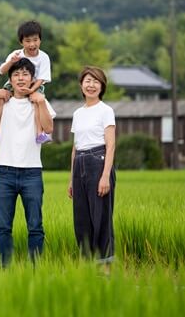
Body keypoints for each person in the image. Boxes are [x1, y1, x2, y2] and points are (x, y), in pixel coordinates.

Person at [0, 58, 56, 267]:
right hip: (4, 172)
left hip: (32, 172)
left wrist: (40, 102)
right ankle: (6, 269)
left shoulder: (40, 100)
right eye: (16, 75)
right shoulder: (2, 101)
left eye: (25, 74)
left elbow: (48, 128)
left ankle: (35, 268)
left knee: (35, 226)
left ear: (32, 78)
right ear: (10, 80)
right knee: (3, 227)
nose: (21, 78)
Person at [67, 66, 116, 275]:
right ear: (81, 85)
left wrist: (105, 175)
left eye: (96, 81)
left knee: (101, 216)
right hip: (80, 164)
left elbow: (111, 144)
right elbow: (75, 147)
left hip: (99, 161)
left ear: (102, 86)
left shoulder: (106, 110)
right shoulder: (78, 113)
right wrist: (71, 179)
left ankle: (105, 266)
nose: (91, 85)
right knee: (82, 218)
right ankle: (87, 264)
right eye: (87, 81)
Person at [0, 20, 53, 144]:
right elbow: (2, 70)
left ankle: (39, 133)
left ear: (40, 40)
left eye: (35, 40)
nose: (32, 44)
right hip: (14, 85)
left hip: (35, 84)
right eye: (27, 41)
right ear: (21, 42)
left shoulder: (43, 57)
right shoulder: (16, 54)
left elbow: (42, 78)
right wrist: (11, 62)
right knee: (0, 98)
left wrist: (32, 90)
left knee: (37, 102)